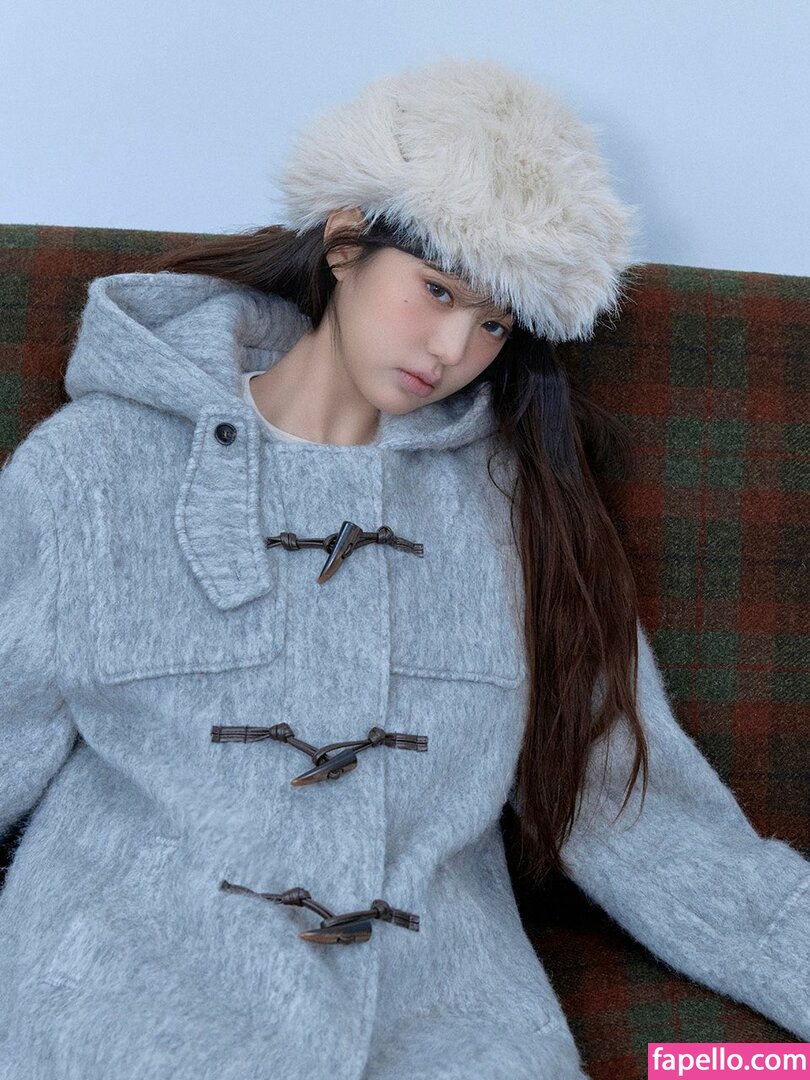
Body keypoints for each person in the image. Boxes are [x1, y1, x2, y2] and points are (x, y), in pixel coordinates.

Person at [0, 57, 807, 1080]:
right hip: (133, 999)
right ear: (345, 243)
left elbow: (634, 814)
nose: (453, 347)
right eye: (436, 290)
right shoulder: (95, 469)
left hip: (443, 1020)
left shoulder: (519, 513)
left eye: (494, 322)